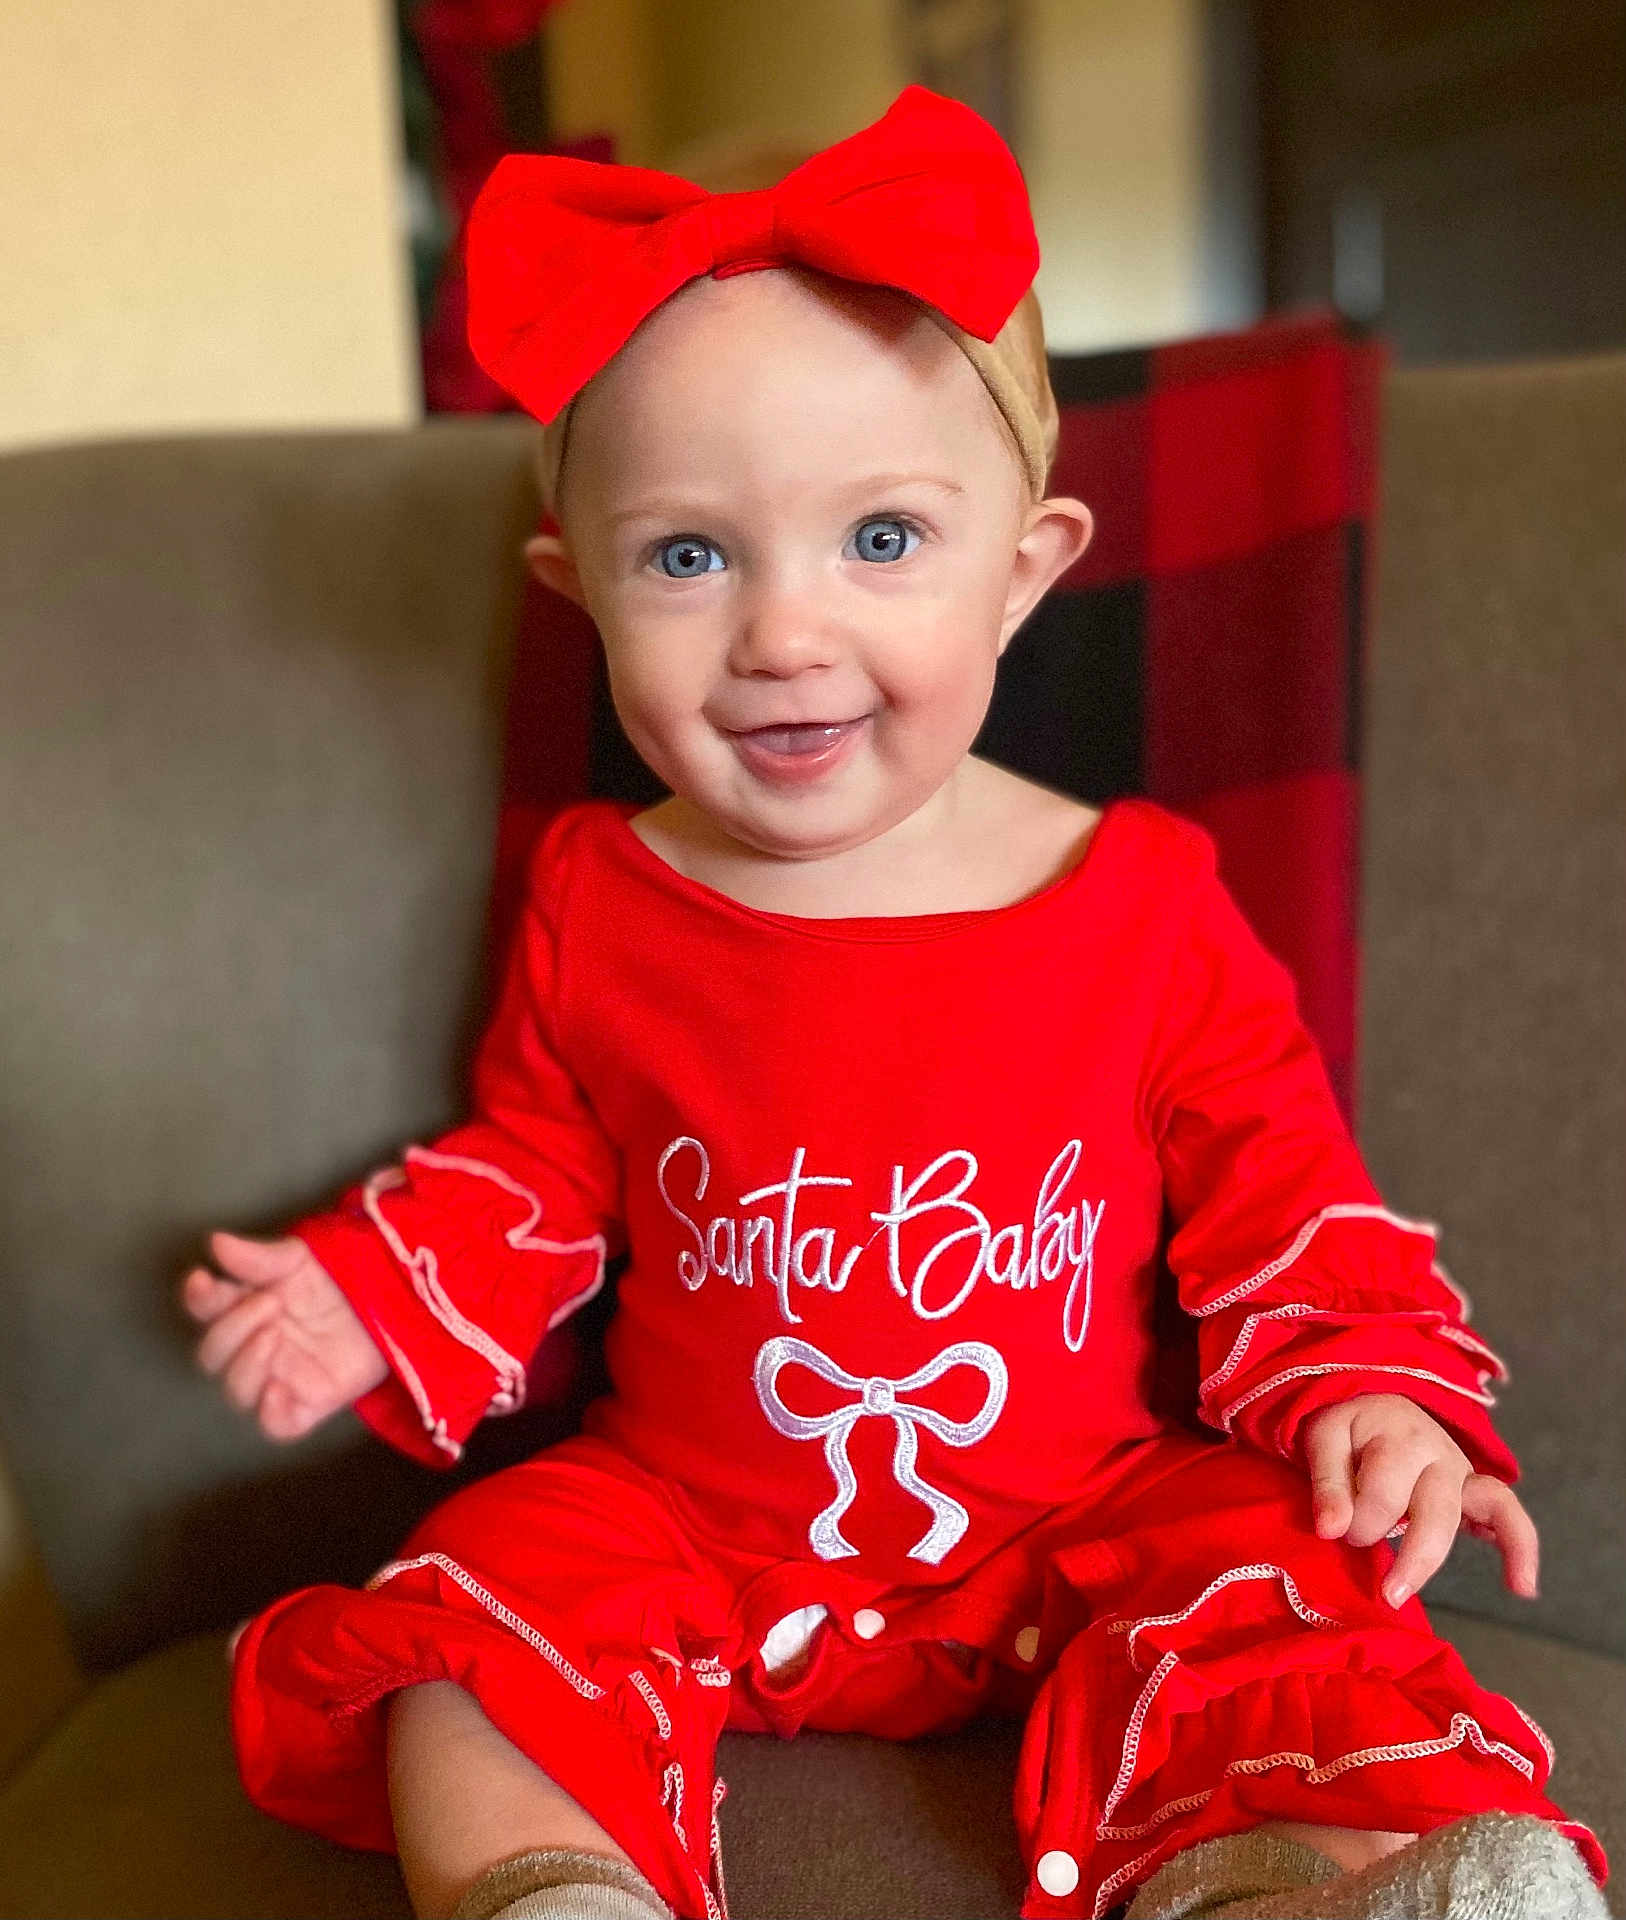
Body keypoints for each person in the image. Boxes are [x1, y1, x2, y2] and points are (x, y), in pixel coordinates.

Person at [179, 84, 1610, 1920]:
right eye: (687, 557)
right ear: (579, 597)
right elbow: (541, 1156)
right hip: (690, 1521)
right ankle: (549, 1891)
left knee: (1284, 1595)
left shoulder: (1142, 900)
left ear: (1024, 576)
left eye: (880, 541)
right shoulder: (603, 897)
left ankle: (1303, 1887)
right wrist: (383, 1285)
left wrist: (1378, 1395)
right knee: (467, 1618)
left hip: (1088, 1521)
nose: (781, 632)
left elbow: (1282, 1185)